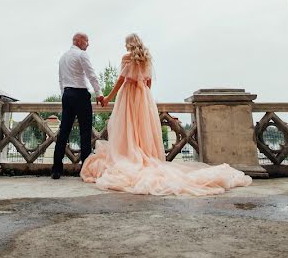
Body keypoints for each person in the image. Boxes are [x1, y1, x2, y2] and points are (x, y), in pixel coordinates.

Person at [81, 34, 252, 196]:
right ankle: (144, 153)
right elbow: (148, 82)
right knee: (142, 127)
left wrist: (109, 98)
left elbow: (121, 80)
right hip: (143, 96)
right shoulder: (146, 57)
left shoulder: (126, 58)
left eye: (126, 43)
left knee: (127, 126)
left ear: (129, 44)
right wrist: (145, 99)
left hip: (128, 95)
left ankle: (129, 154)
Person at [52, 32, 105, 179]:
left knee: (64, 131)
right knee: (85, 132)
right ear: (79, 41)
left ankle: (56, 169)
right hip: (81, 95)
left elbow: (61, 80)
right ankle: (85, 169)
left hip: (67, 95)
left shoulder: (62, 57)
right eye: (87, 41)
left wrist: (64, 94)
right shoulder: (81, 55)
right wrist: (99, 94)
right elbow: (91, 75)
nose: (88, 44)